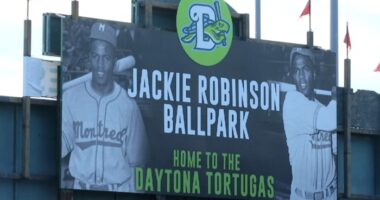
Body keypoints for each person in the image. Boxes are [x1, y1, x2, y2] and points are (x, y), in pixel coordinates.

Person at [61, 22, 148, 192]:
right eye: (95, 56)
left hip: (119, 191)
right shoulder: (71, 98)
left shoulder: (128, 105)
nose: (100, 65)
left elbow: (139, 161)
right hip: (81, 191)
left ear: (114, 61)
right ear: (89, 58)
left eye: (106, 58)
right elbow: (60, 146)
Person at [283, 47, 337, 200]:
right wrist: (336, 98)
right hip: (302, 196)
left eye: (305, 69)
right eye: (296, 71)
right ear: (292, 76)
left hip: (330, 194)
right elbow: (329, 121)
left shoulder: (322, 109)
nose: (300, 76)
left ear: (314, 73)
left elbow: (336, 147)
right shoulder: (292, 102)